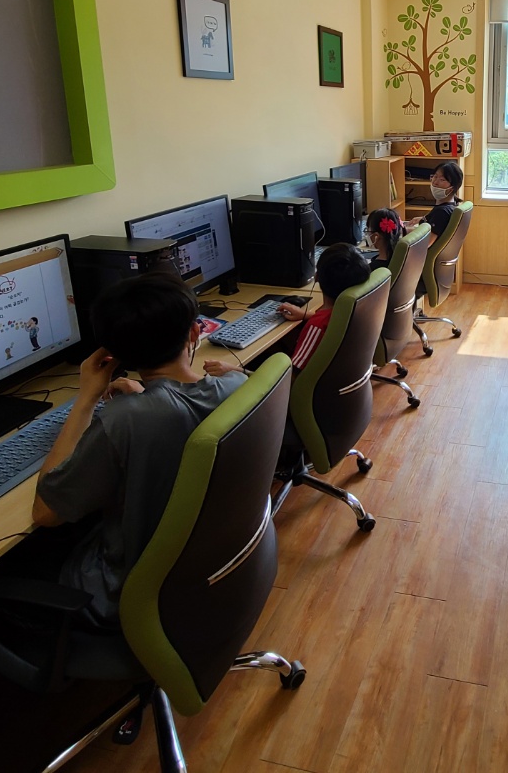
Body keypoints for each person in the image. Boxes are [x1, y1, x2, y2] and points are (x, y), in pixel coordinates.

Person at [31, 273, 248, 625]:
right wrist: (148, 397)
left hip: (135, 592)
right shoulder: (238, 386)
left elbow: (45, 513)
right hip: (219, 566)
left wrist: (86, 399)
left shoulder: (125, 419)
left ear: (113, 355)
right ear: (195, 333)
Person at [275, 243, 372, 369]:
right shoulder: (361, 311)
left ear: (317, 277)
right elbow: (332, 320)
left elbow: (295, 372)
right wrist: (306, 315)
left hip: (310, 382)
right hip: (350, 376)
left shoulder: (318, 325)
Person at [418, 161, 463, 240]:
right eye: (435, 176)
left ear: (452, 187)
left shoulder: (441, 212)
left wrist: (404, 232)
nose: (435, 182)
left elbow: (427, 242)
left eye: (442, 180)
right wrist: (422, 220)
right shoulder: (452, 205)